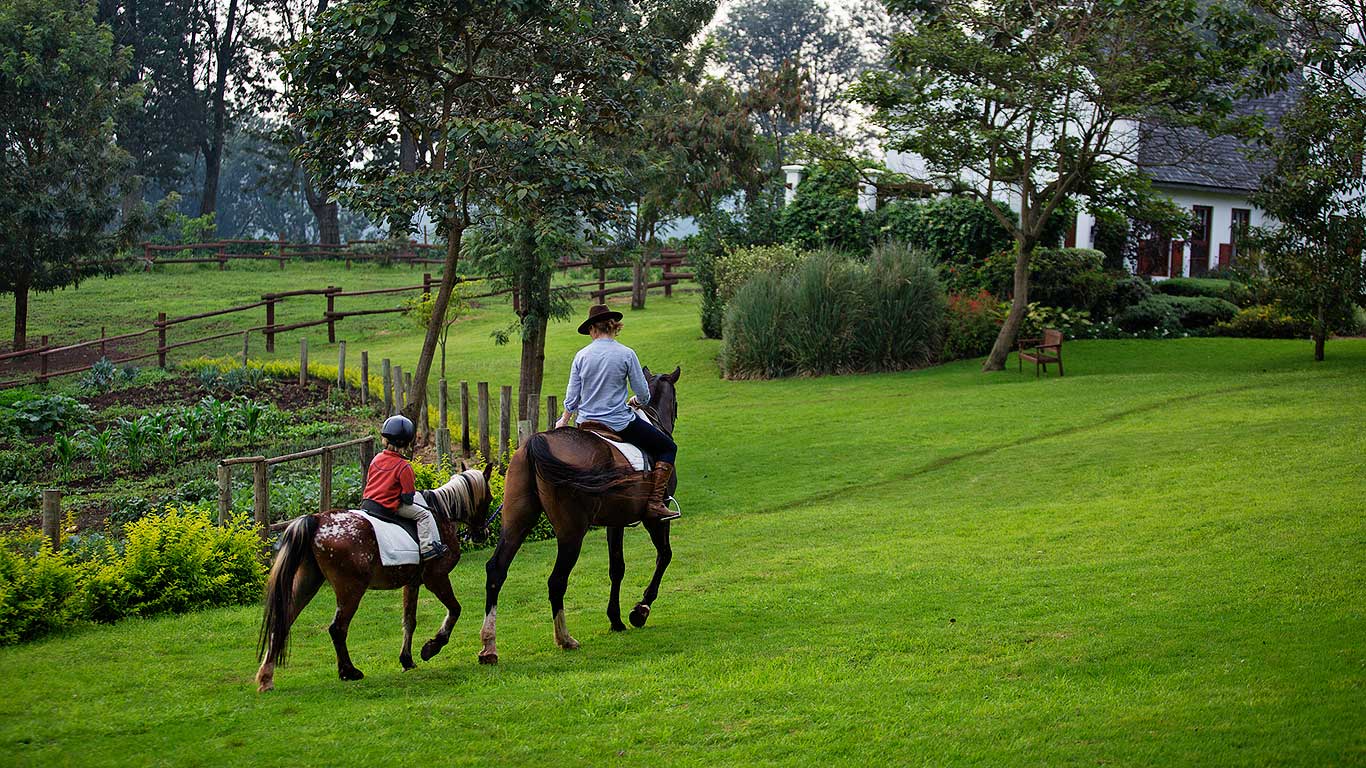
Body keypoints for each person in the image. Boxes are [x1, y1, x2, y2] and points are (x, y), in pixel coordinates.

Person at [556, 304, 680, 521]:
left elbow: (572, 397)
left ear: (593, 329)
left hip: (585, 424)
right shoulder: (626, 354)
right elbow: (644, 395)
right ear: (613, 327)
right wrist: (636, 400)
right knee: (668, 447)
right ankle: (655, 502)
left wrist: (564, 420)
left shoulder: (581, 356)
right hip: (619, 423)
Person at [360, 415, 449, 560]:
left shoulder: (376, 458)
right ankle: (427, 548)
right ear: (407, 443)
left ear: (385, 439)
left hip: (367, 504)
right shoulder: (404, 466)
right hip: (387, 508)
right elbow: (407, 499)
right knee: (424, 514)